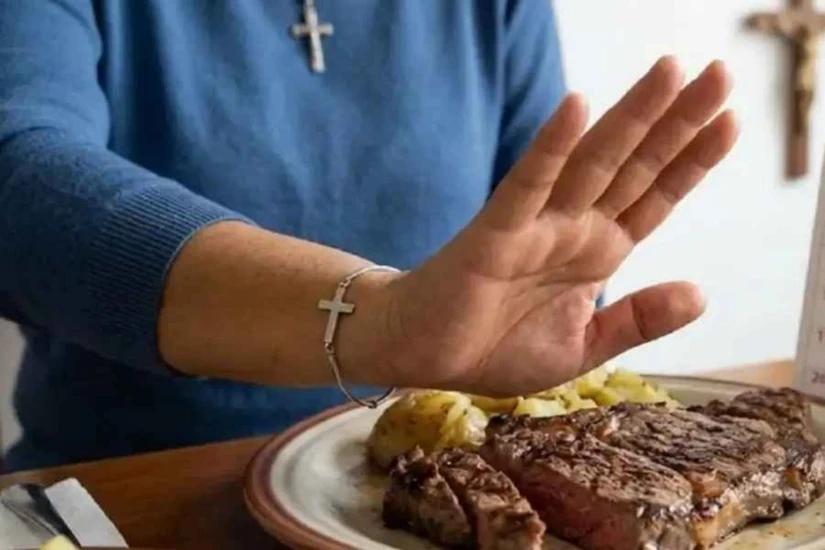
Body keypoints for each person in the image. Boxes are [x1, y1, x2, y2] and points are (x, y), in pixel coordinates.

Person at [0, 0, 737, 472]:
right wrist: (384, 322)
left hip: (425, 500)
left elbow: (547, 248)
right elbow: (20, 176)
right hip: (126, 491)